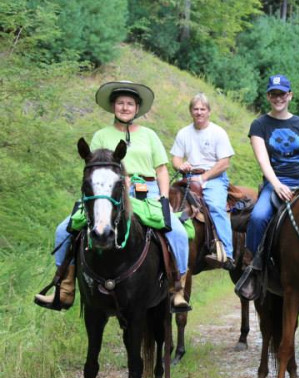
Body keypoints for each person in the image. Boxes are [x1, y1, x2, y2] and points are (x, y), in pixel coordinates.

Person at [35, 81, 191, 312]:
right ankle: (65, 290)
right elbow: (93, 168)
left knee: (177, 231)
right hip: (107, 195)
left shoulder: (149, 135)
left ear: (137, 108)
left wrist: (164, 197)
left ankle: (176, 290)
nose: (125, 107)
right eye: (120, 103)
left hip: (148, 193)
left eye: (130, 104)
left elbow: (161, 169)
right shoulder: (100, 136)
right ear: (113, 107)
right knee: (63, 230)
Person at [243, 74, 299, 265]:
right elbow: (263, 160)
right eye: (274, 94)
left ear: (290, 96)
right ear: (268, 97)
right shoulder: (259, 125)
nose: (278, 98)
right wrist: (277, 185)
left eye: (282, 94)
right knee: (258, 217)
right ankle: (253, 264)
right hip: (276, 183)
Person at [171, 93, 236, 270]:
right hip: (189, 177)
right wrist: (181, 165)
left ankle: (227, 253)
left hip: (213, 177)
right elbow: (175, 159)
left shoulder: (218, 132)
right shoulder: (184, 133)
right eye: (195, 109)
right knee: (169, 204)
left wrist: (204, 178)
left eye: (202, 109)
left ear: (209, 111)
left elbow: (224, 163)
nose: (199, 112)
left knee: (215, 206)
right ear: (191, 111)